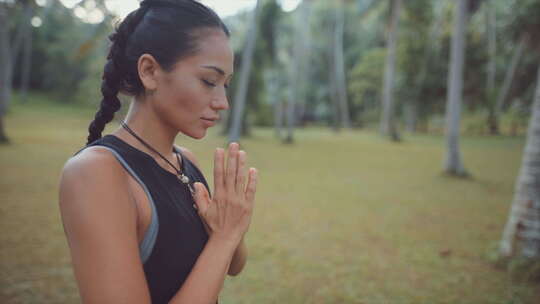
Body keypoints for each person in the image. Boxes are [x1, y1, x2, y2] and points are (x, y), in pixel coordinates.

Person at [58, 0, 258, 303]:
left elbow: (233, 264)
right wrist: (226, 236)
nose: (222, 102)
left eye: (225, 85)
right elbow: (222, 248)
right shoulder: (96, 173)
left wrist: (230, 227)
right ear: (150, 71)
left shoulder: (184, 160)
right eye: (208, 81)